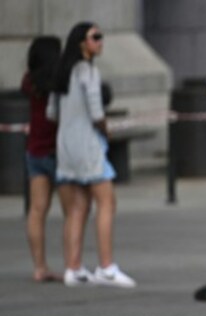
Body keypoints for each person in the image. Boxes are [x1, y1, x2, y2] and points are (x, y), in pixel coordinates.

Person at [48, 22, 136, 288]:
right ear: (81, 43)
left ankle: (72, 267)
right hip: (88, 146)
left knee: (77, 207)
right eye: (95, 37)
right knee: (107, 202)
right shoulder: (88, 71)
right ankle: (106, 266)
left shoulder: (61, 74)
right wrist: (105, 129)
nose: (100, 41)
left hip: (65, 146)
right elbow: (97, 113)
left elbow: (51, 114)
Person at [21, 36, 63, 283]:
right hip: (57, 150)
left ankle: (39, 266)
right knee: (74, 210)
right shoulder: (57, 82)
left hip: (34, 150)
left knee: (37, 210)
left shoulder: (30, 81)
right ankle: (73, 264)